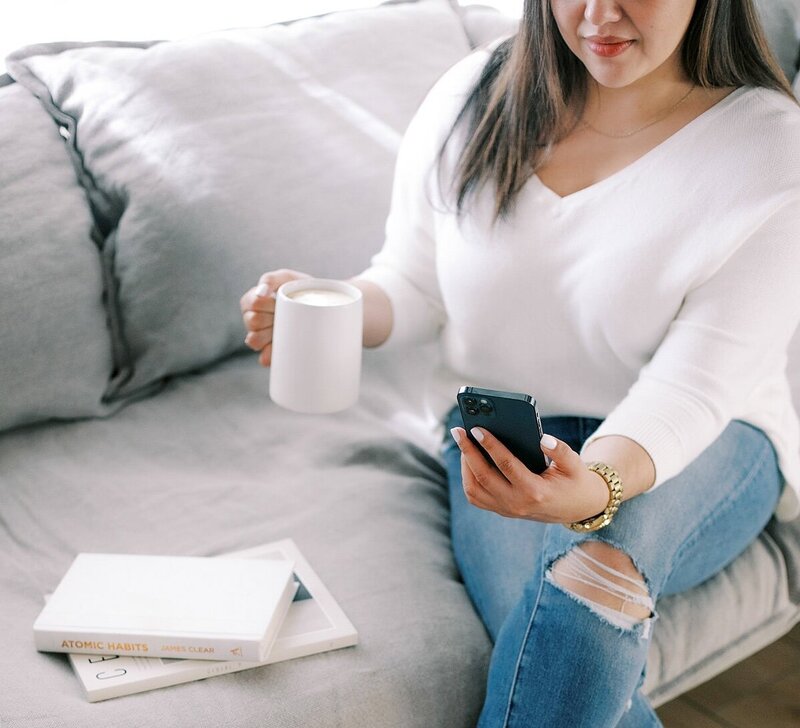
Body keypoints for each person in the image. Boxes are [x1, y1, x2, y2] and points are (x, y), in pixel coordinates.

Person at [240, 0, 800, 724]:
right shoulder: (475, 94)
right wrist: (334, 308)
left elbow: (690, 390)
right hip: (505, 435)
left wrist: (596, 487)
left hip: (705, 441)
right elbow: (412, 282)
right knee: (564, 648)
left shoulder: (771, 151)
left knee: (591, 577)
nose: (599, 13)